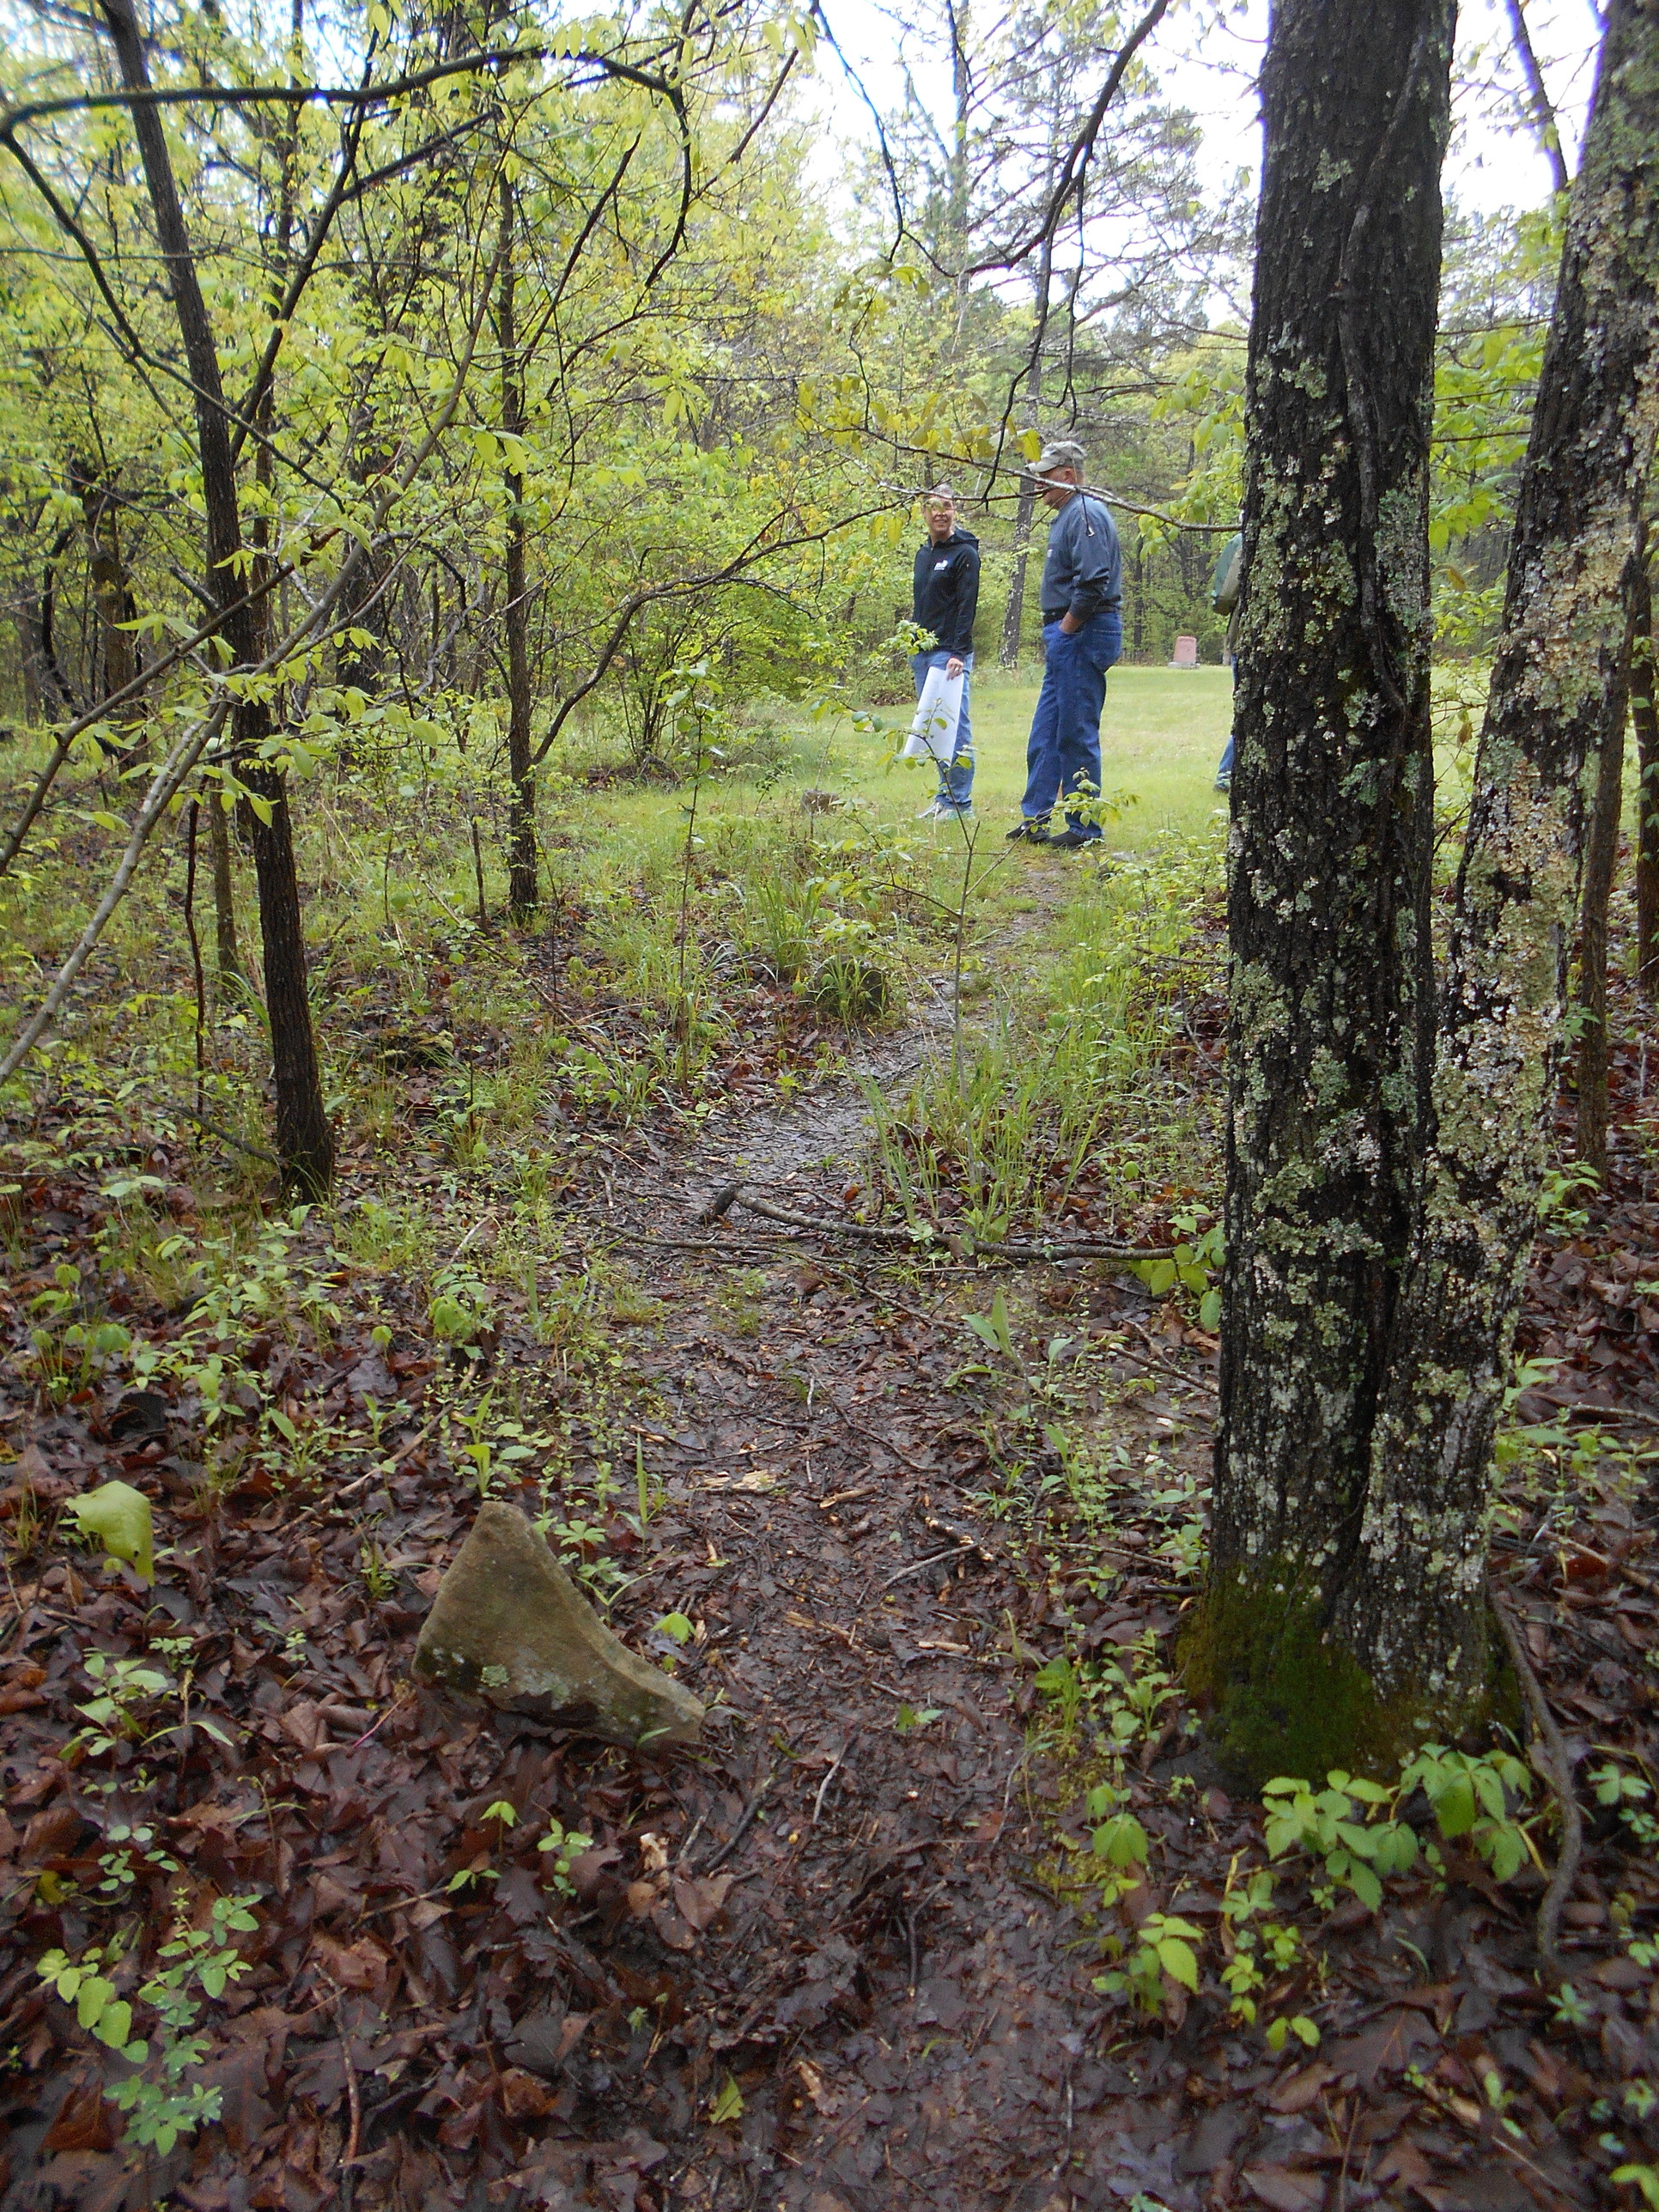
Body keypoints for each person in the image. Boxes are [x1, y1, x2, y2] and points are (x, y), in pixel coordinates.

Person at [1006, 441, 1122, 849]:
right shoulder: (1067, 515)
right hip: (1067, 636)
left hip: (1083, 632)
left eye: (1046, 476)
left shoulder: (1086, 512)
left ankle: (1084, 829)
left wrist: (1067, 629)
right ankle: (1035, 819)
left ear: (1068, 476)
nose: (1039, 485)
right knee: (1046, 732)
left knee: (1075, 732)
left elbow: (1093, 580)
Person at [909, 485, 979, 821]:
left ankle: (960, 803)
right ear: (924, 512)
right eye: (934, 507)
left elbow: (967, 607)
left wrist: (958, 653)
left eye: (947, 506)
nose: (940, 513)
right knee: (934, 730)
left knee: (955, 726)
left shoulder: (965, 554)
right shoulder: (923, 555)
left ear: (955, 510)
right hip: (922, 653)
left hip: (949, 654)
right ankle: (943, 797)